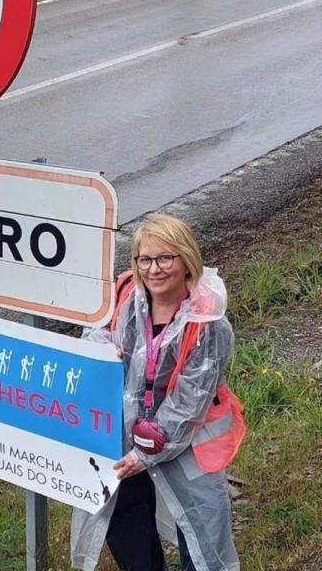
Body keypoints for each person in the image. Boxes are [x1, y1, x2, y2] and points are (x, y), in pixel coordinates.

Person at [71, 215, 244, 571]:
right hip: (126, 427)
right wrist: (103, 348)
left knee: (202, 527)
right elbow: (95, 334)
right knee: (123, 514)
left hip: (192, 436)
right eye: (145, 259)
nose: (154, 269)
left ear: (187, 260)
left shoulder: (208, 323)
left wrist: (144, 454)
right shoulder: (124, 296)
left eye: (166, 258)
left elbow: (189, 403)